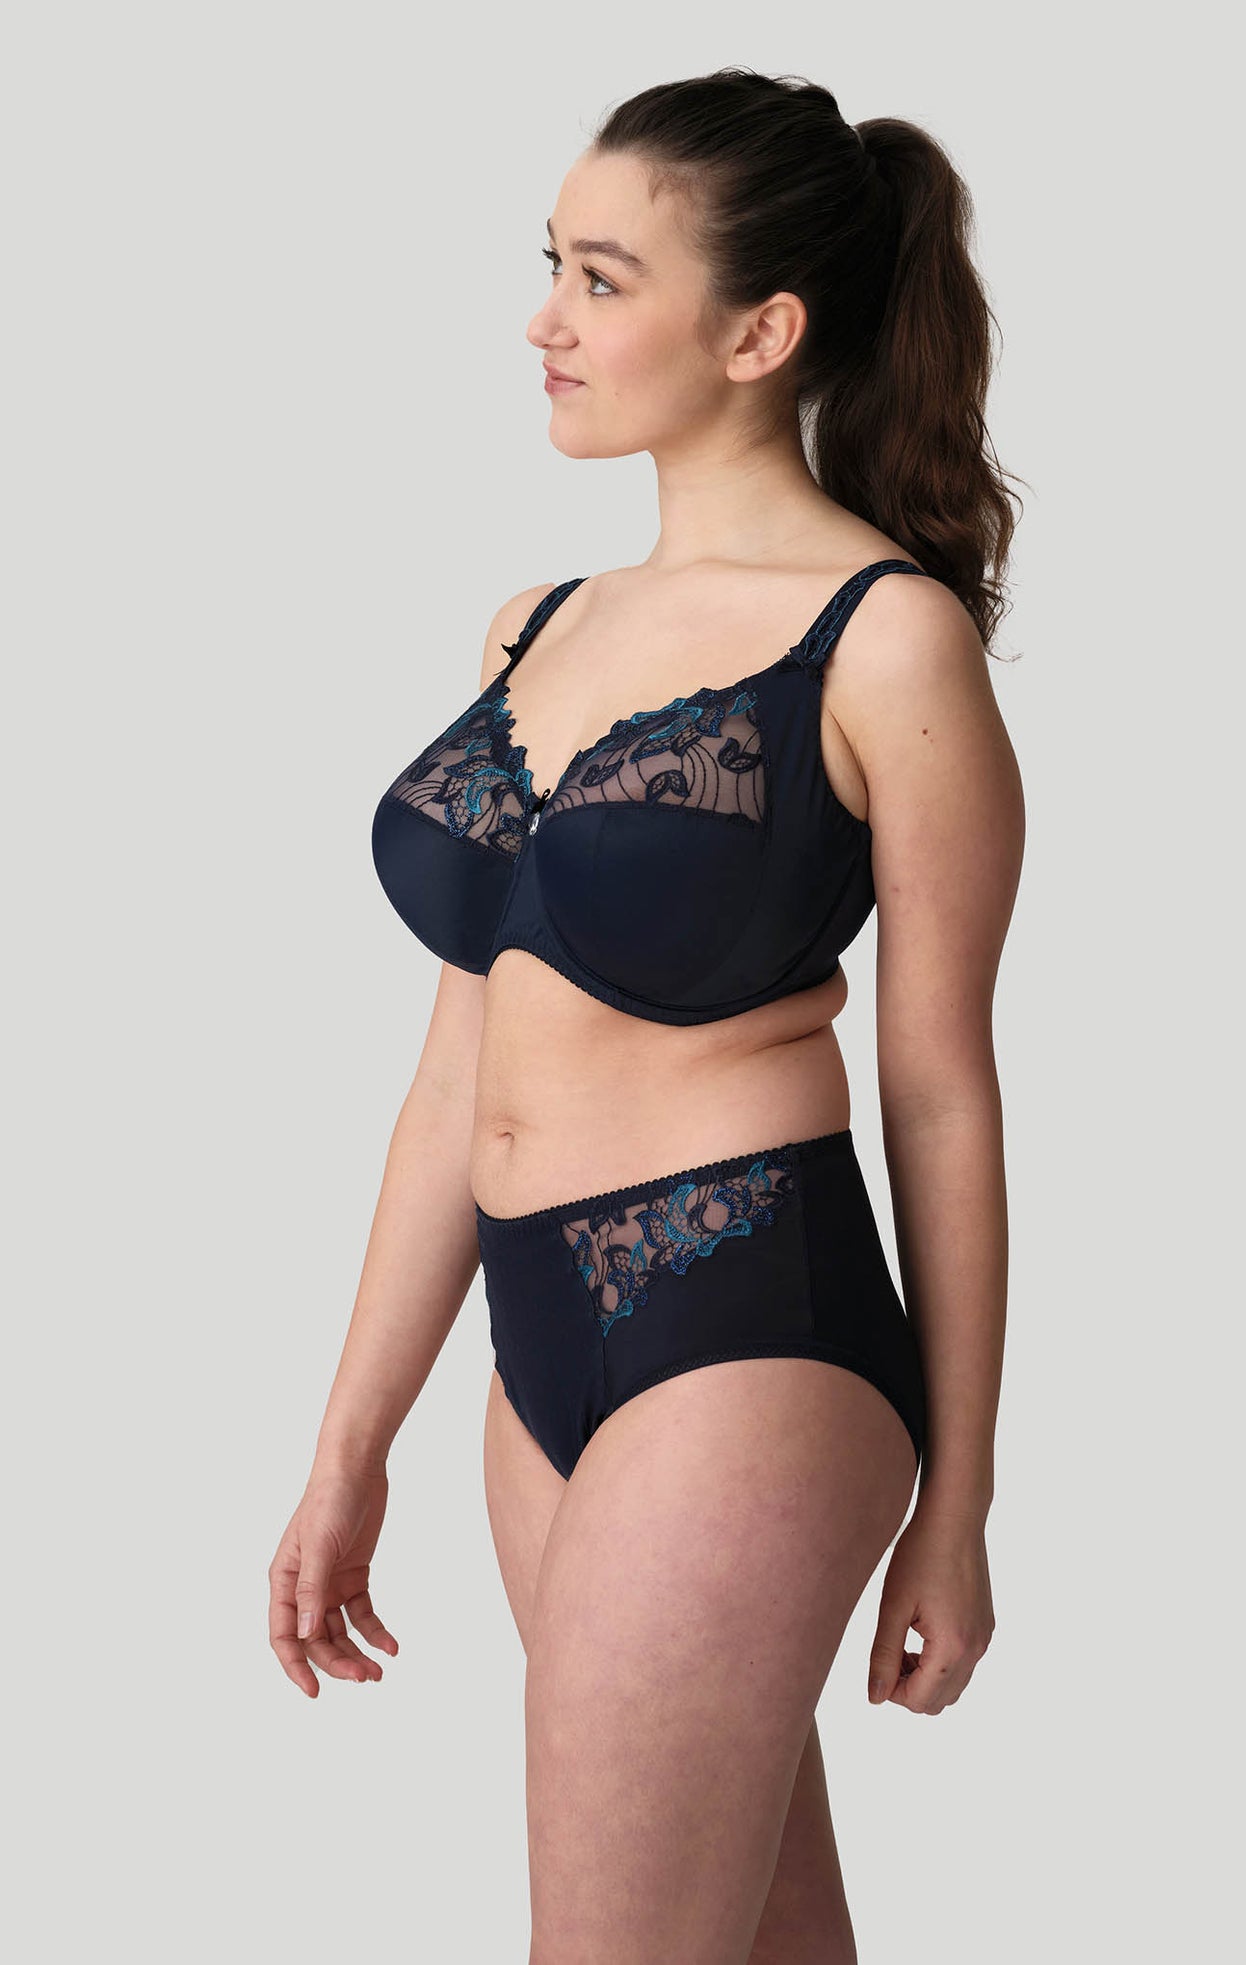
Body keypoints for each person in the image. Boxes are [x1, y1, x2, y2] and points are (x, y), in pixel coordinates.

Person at [268, 66, 1024, 1962]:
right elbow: (457, 1074)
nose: (546, 320)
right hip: (537, 1349)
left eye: (601, 281)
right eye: (550, 265)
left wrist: (957, 1499)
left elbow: (940, 1091)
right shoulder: (535, 625)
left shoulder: (884, 639)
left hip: (744, 1319)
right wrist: (351, 1440)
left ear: (759, 334)